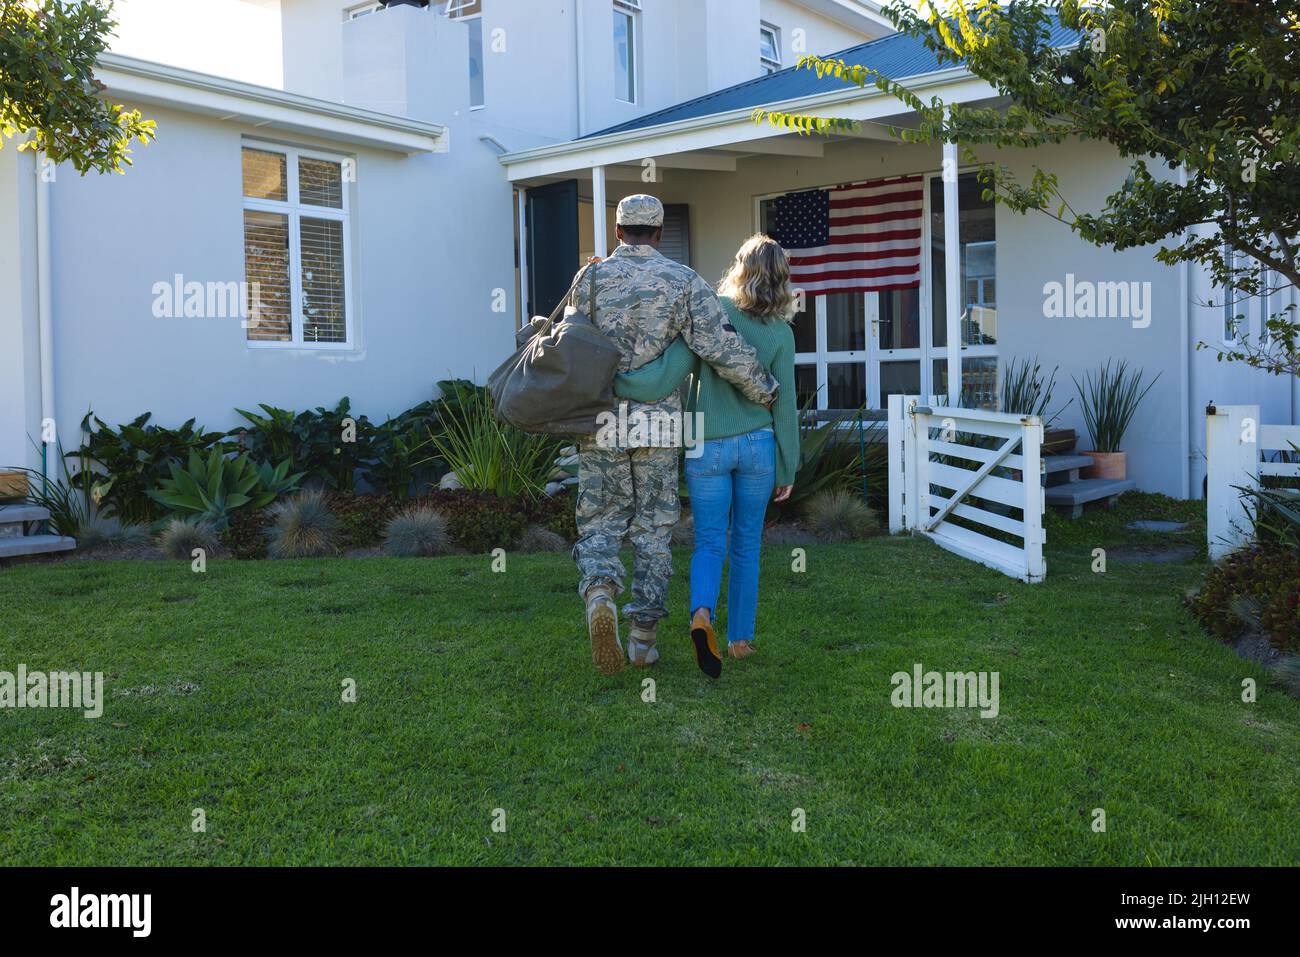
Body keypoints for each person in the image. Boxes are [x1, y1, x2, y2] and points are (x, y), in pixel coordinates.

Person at [568, 196, 779, 677]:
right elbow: (719, 344)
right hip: (660, 423)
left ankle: (600, 591)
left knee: (601, 519)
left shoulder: (591, 278)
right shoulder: (683, 281)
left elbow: (573, 342)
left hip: (601, 417)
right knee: (653, 529)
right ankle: (643, 640)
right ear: (660, 234)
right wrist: (762, 387)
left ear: (618, 232)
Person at [616, 234, 799, 677]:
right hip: (758, 446)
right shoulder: (782, 334)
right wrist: (788, 465)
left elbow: (666, 375)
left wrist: (615, 381)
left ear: (739, 268)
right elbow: (787, 405)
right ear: (782, 281)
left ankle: (701, 615)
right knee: (747, 544)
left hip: (706, 445)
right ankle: (739, 640)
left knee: (710, 541)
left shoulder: (712, 313)